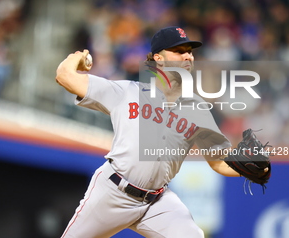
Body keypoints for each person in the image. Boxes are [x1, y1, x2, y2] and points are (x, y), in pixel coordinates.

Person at [55, 26, 256, 238]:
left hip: (157, 202)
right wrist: (76, 57)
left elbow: (218, 162)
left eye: (190, 51)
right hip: (113, 192)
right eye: (179, 51)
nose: (188, 55)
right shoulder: (126, 92)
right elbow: (64, 76)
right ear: (158, 58)